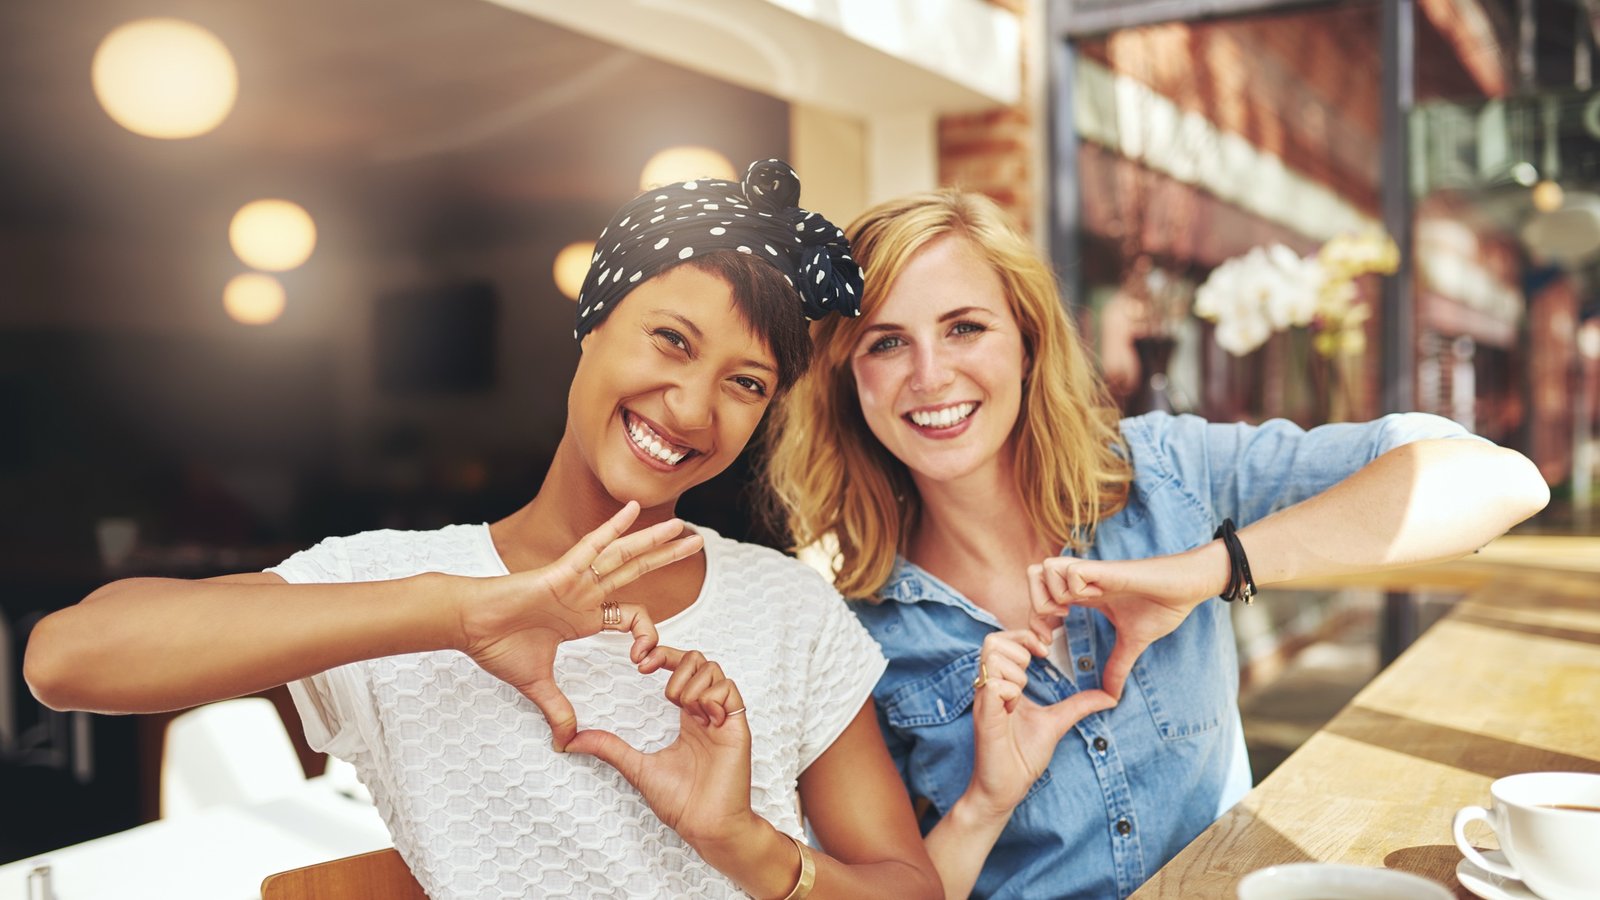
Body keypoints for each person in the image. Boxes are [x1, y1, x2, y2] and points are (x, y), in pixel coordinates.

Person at [25, 161, 941, 900]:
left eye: (747, 383)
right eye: (671, 339)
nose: (694, 406)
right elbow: (67, 658)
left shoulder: (786, 608)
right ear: (591, 324)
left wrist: (741, 843)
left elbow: (910, 890)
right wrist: (459, 615)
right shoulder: (403, 582)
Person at [764, 189, 1549, 899]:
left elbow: (1502, 484)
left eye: (965, 327)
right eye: (886, 343)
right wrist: (986, 801)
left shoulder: (1165, 473)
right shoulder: (859, 629)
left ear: (1029, 342)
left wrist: (1211, 569)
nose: (930, 374)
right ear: (848, 377)